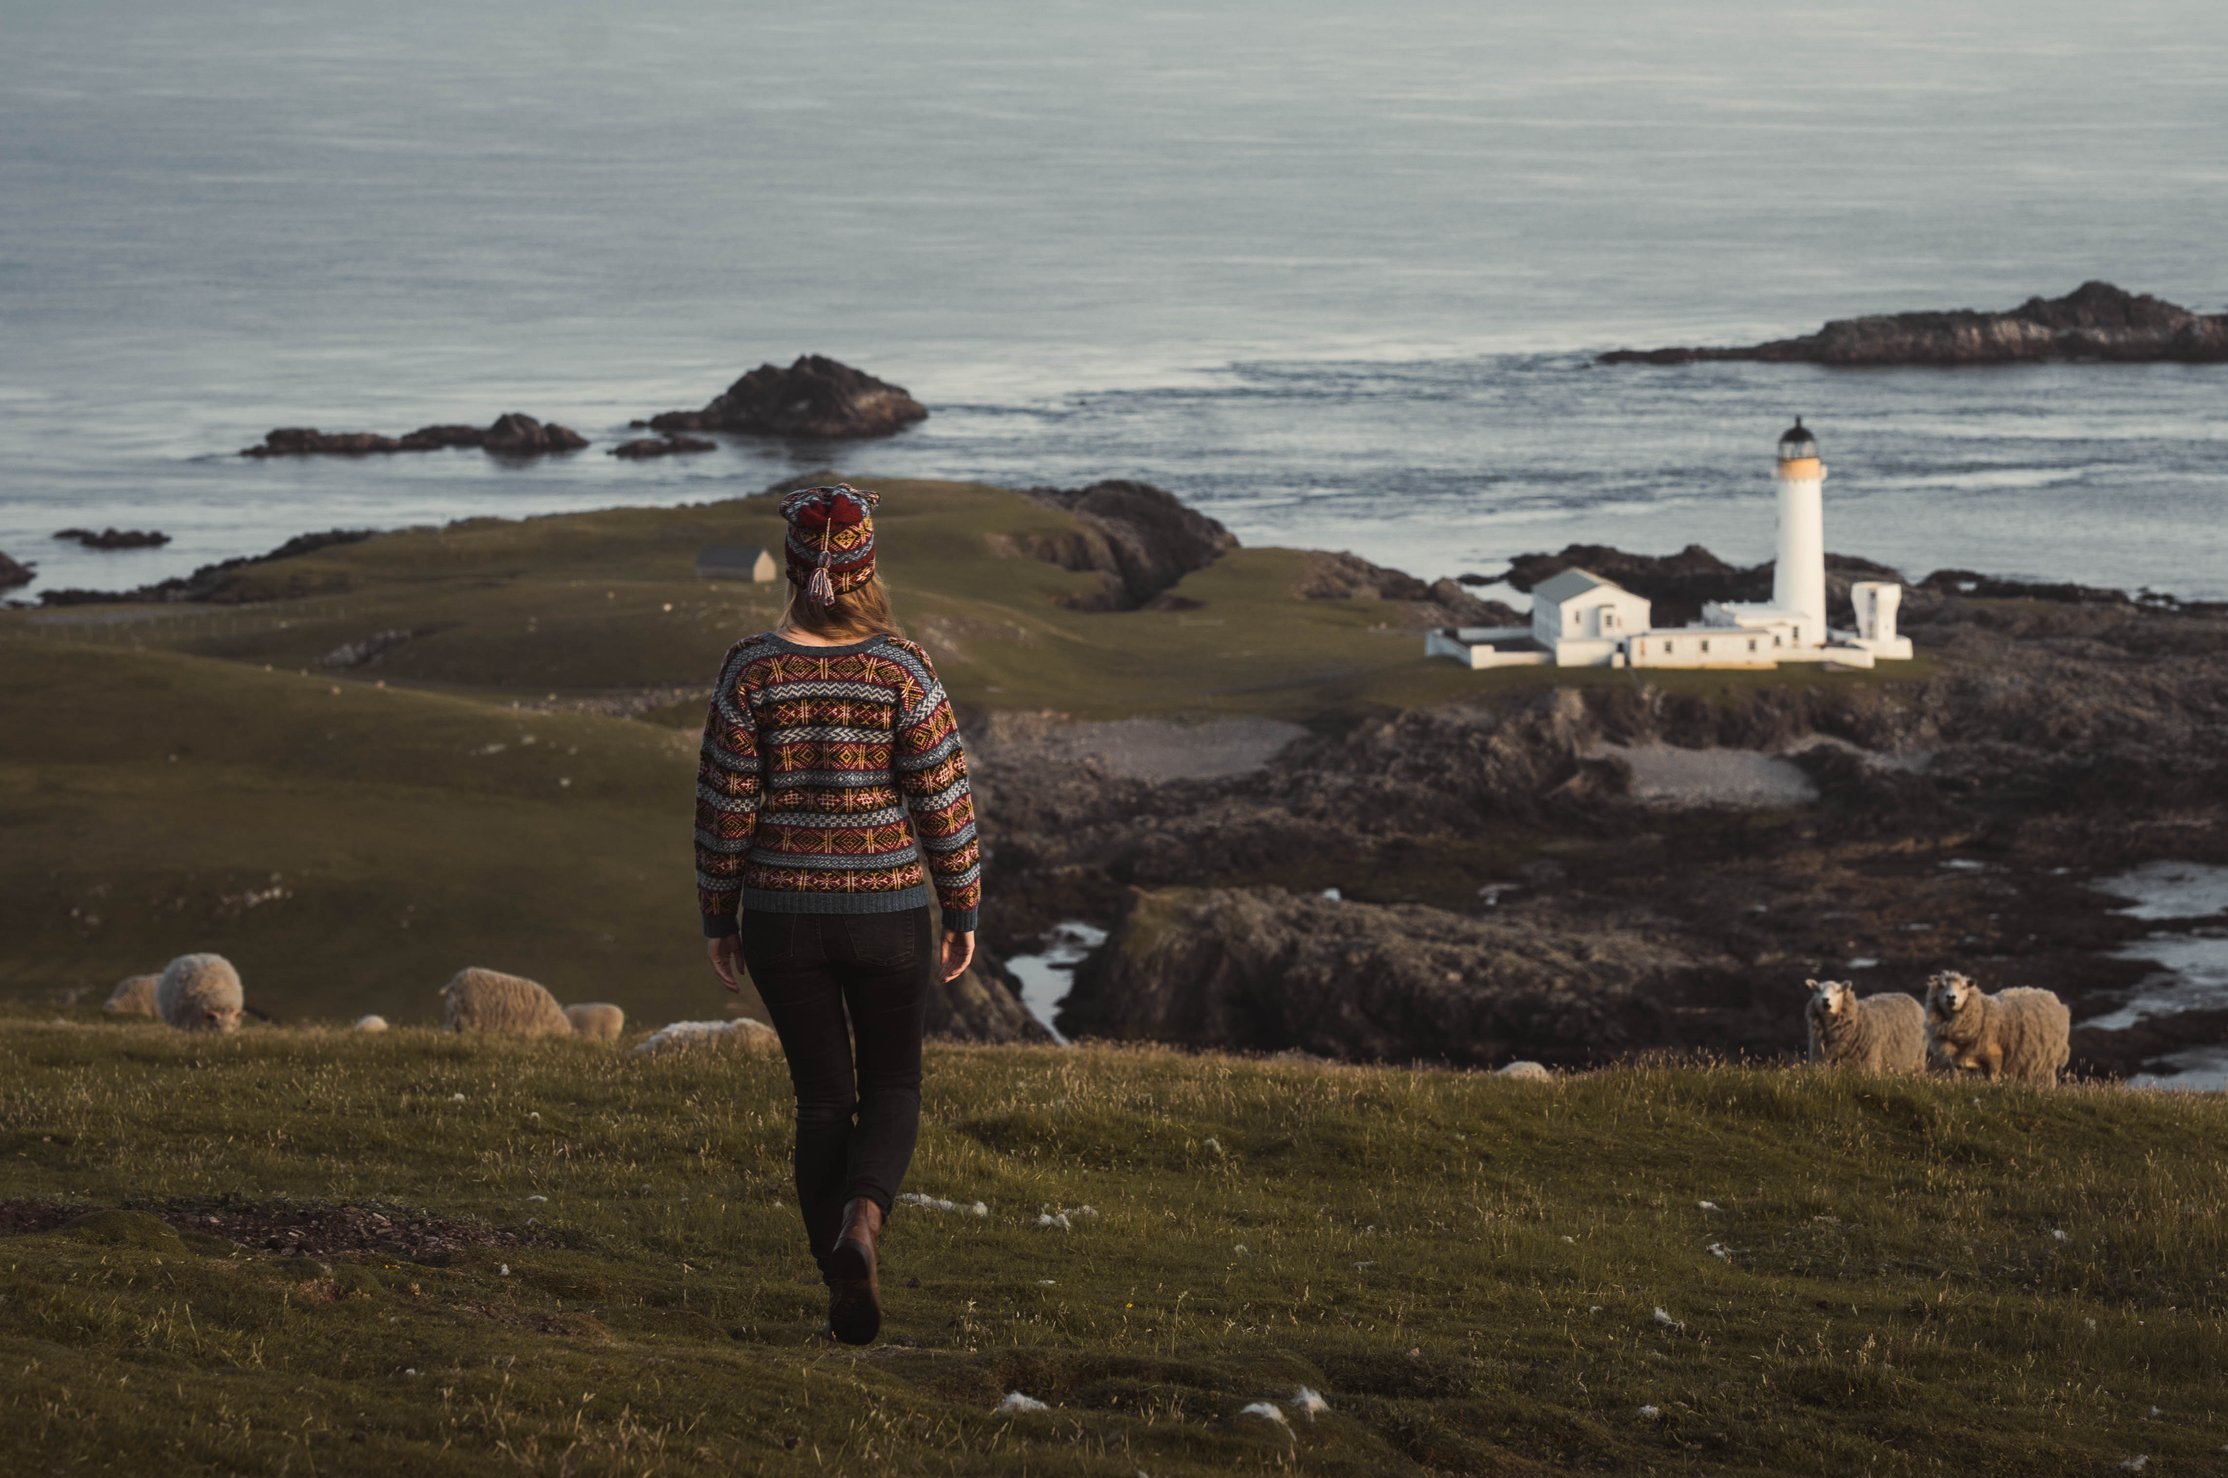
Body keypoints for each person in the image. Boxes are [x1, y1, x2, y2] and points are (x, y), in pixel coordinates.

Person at [693, 483, 981, 1345]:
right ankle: (865, 1221)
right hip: (890, 908)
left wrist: (720, 914)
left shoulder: (751, 669)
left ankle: (838, 1274)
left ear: (792, 569)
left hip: (782, 915)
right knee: (893, 1083)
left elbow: (724, 806)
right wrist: (962, 902)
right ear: (865, 567)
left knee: (822, 1101)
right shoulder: (904, 667)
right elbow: (943, 797)